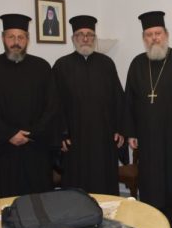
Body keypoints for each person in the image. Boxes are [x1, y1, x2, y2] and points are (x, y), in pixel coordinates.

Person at [124, 11, 172, 228]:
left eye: (158, 33)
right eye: (149, 34)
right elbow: (129, 100)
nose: (154, 38)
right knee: (150, 184)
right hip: (147, 138)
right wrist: (131, 132)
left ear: (166, 34)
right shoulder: (137, 64)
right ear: (144, 38)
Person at [0, 14, 59, 198]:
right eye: (11, 37)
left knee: (39, 201)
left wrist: (32, 133)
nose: (16, 42)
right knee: (5, 202)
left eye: (21, 37)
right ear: (3, 38)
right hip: (2, 150)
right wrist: (9, 134)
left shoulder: (42, 67)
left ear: (27, 39)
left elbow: (52, 106)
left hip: (36, 149)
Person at [53, 15, 125, 195]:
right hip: (74, 141)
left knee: (104, 187)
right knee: (76, 191)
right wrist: (61, 134)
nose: (85, 39)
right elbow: (54, 104)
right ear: (73, 39)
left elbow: (118, 98)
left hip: (103, 139)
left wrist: (119, 129)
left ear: (94, 38)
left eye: (90, 35)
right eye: (80, 34)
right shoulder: (61, 66)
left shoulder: (107, 64)